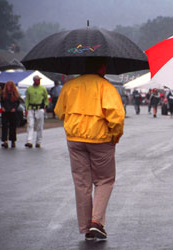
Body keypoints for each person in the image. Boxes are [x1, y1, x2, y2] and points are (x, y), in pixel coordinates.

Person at [54, 61, 125, 241]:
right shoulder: (106, 87)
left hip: (75, 139)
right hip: (100, 139)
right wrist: (114, 137)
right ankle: (96, 222)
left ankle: (86, 227)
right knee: (105, 180)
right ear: (101, 68)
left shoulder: (69, 86)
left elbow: (59, 112)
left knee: (81, 183)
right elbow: (116, 117)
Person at [24, 75, 49, 148]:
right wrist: (26, 108)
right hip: (31, 109)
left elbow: (46, 98)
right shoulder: (29, 89)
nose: (39, 81)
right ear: (34, 81)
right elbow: (27, 99)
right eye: (37, 80)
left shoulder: (43, 88)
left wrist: (45, 107)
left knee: (39, 126)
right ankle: (29, 141)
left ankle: (38, 142)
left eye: (39, 80)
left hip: (39, 108)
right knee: (30, 125)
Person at [0, 81, 20, 148]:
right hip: (5, 111)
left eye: (10, 86)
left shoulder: (15, 94)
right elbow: (1, 102)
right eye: (8, 86)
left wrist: (14, 108)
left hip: (12, 112)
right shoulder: (3, 93)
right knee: (4, 126)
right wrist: (2, 107)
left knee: (13, 126)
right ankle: (5, 140)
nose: (9, 87)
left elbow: (17, 102)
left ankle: (13, 140)